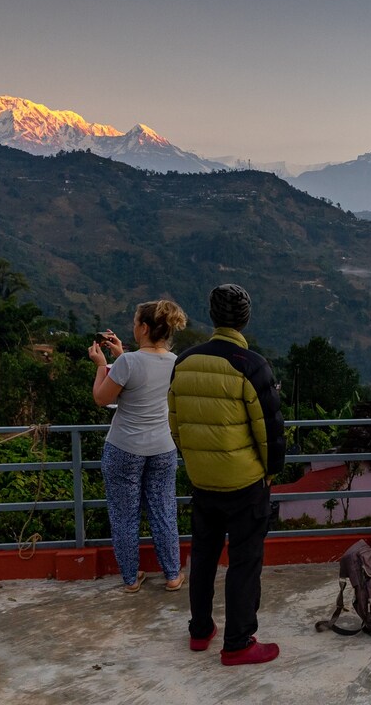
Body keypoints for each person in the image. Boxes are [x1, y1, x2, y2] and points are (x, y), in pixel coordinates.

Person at [168, 284, 286, 666]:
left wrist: (195, 461)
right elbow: (269, 431)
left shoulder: (184, 362)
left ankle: (200, 632)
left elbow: (175, 424)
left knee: (202, 557)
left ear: (212, 316)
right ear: (245, 319)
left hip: (202, 481)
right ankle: (237, 643)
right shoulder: (251, 365)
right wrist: (270, 472)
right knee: (244, 560)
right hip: (244, 483)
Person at [88, 300, 188, 594]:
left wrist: (100, 366)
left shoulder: (128, 363)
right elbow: (146, 377)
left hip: (124, 448)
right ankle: (172, 575)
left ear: (144, 328)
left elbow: (102, 398)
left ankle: (131, 580)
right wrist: (120, 355)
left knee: (124, 515)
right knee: (163, 511)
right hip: (163, 447)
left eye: (135, 322)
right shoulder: (175, 362)